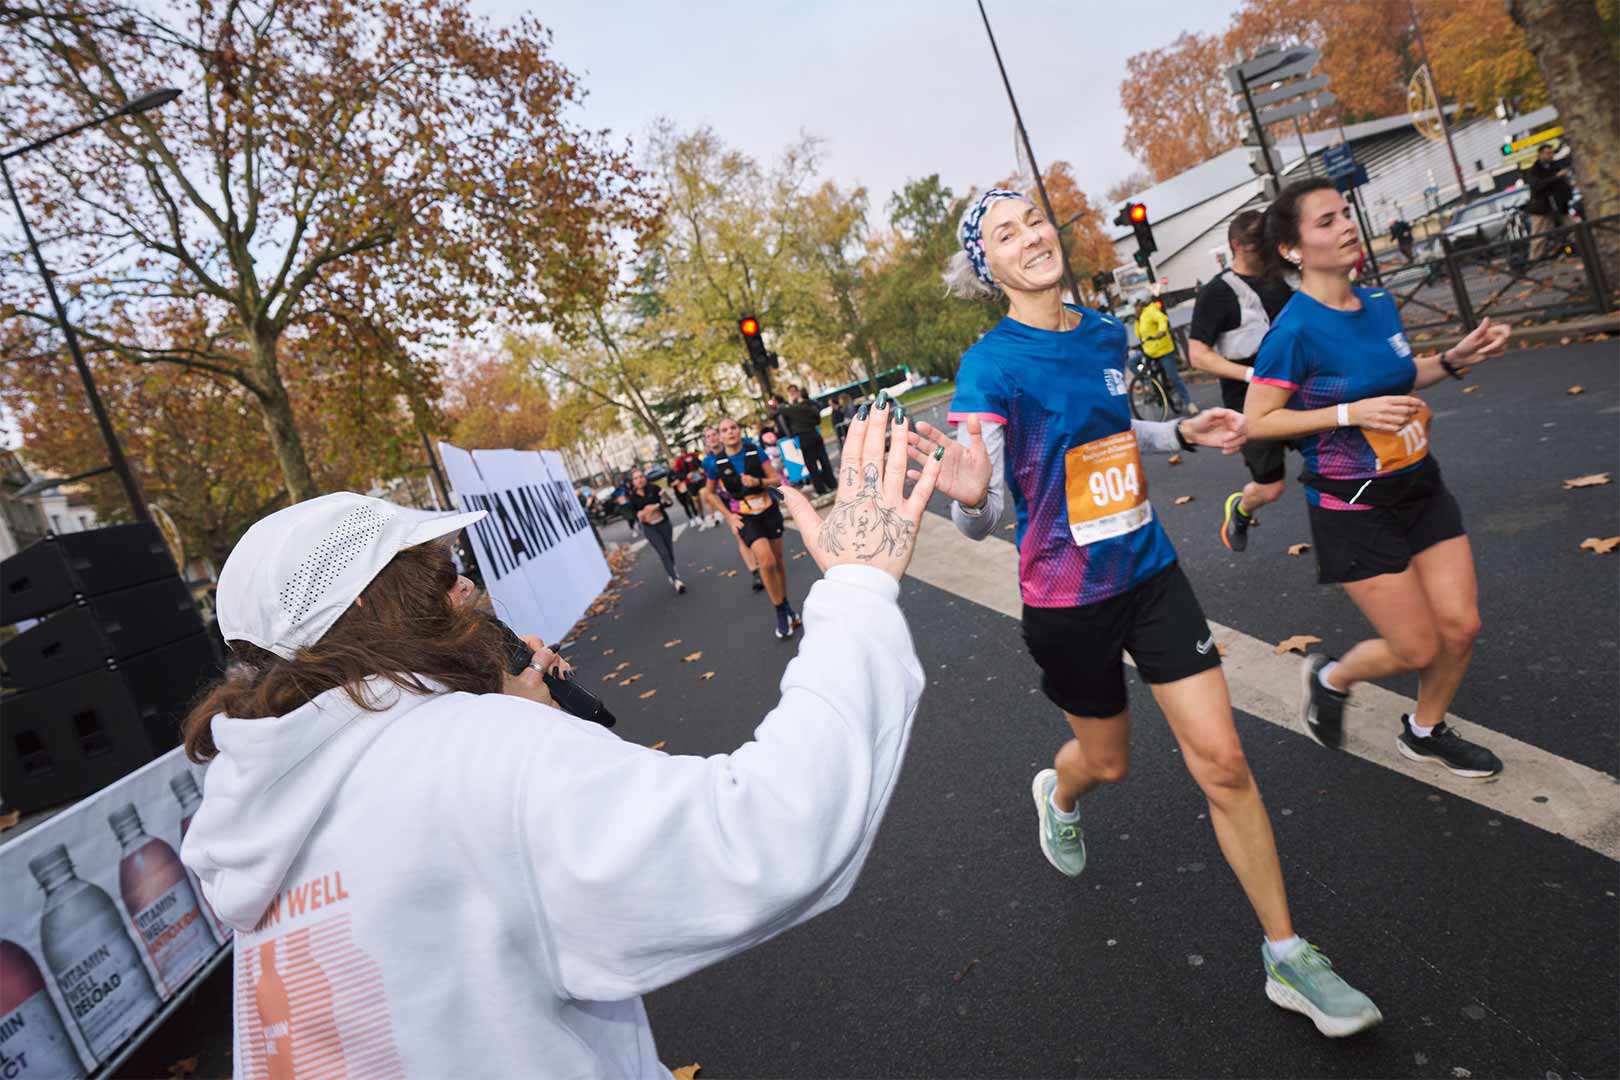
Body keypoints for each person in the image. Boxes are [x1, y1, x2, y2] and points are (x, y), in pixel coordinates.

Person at [178, 441, 940, 1077]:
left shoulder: (256, 816)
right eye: (445, 577)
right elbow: (768, 835)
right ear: (392, 612)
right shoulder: (464, 756)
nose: (469, 593)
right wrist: (859, 589)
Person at [911, 186, 1381, 1038]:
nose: (1030, 239)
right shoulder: (989, 366)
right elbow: (978, 510)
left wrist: (1178, 435)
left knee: (1224, 762)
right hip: (1065, 600)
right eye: (1004, 235)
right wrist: (969, 500)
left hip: (1151, 573)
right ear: (990, 268)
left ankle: (1287, 954)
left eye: (1035, 222)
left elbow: (1107, 428)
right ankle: (1061, 791)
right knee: (1110, 764)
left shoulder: (1101, 331)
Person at [1243, 177, 1512, 779]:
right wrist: (1348, 414)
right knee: (1415, 646)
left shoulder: (1379, 303)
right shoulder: (1294, 331)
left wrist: (1453, 359)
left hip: (1418, 483)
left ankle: (1424, 731)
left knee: (1461, 626)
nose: (1345, 227)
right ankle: (1331, 677)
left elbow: (1395, 377)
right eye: (1325, 221)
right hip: (1353, 505)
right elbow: (1256, 422)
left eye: (1345, 214)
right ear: (1292, 249)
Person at [1187, 210, 1296, 552]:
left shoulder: (1279, 280)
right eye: (1255, 242)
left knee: (1333, 458)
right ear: (1237, 244)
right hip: (1248, 404)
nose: (1263, 248)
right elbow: (1197, 354)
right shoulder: (1217, 293)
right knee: (1271, 488)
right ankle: (1242, 508)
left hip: (1297, 392)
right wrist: (1251, 374)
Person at [701, 417, 802, 638]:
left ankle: (785, 604)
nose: (730, 432)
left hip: (768, 510)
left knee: (777, 561)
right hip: (744, 516)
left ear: (739, 431)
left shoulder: (754, 451)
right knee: (765, 561)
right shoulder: (715, 463)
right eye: (724, 430)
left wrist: (758, 482)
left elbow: (775, 479)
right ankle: (779, 610)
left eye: (733, 428)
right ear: (719, 435)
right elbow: (708, 493)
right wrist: (728, 516)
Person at [702, 425, 765, 591]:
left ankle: (763, 561)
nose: (713, 438)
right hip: (729, 501)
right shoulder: (708, 462)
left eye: (714, 434)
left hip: (747, 495)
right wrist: (723, 511)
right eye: (708, 436)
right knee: (740, 535)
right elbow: (710, 488)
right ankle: (755, 572)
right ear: (706, 442)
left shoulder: (734, 450)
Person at [626, 467, 686, 594]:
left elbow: (669, 501)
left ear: (645, 478)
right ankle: (676, 580)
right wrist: (639, 514)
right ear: (633, 482)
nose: (639, 480)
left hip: (663, 523)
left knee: (669, 550)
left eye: (641, 477)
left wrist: (656, 506)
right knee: (663, 552)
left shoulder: (655, 489)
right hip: (649, 527)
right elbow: (630, 513)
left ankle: (671, 570)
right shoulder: (632, 497)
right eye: (636, 478)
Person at [1133, 298, 1195, 414]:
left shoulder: (1151, 311)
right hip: (1149, 351)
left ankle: (1189, 403)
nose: (1135, 309)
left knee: (1173, 376)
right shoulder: (1140, 317)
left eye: (1136, 306)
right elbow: (1138, 334)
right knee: (1133, 363)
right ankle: (1149, 385)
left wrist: (1161, 332)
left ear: (1141, 305)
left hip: (1163, 349)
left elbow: (1162, 319)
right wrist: (1137, 320)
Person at [780, 383, 837, 495]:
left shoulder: (796, 406)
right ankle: (828, 485)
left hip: (808, 435)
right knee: (818, 463)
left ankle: (825, 487)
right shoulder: (802, 406)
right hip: (808, 435)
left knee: (817, 463)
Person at [1524, 141, 1574, 261]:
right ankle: (1534, 258)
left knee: (1573, 228)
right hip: (1541, 207)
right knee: (1539, 234)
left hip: (1559, 204)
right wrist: (1556, 177)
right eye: (1547, 153)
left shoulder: (1555, 165)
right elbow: (1537, 185)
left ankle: (1580, 247)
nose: (1551, 155)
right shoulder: (1534, 170)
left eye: (1552, 153)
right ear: (1540, 154)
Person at [668, 446, 705, 528]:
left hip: (687, 487)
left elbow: (684, 474)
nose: (673, 464)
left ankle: (698, 516)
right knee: (685, 505)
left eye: (673, 462)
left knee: (692, 502)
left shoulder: (690, 457)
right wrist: (674, 483)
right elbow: (669, 484)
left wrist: (684, 477)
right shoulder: (670, 473)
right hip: (679, 491)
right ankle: (691, 518)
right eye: (671, 463)